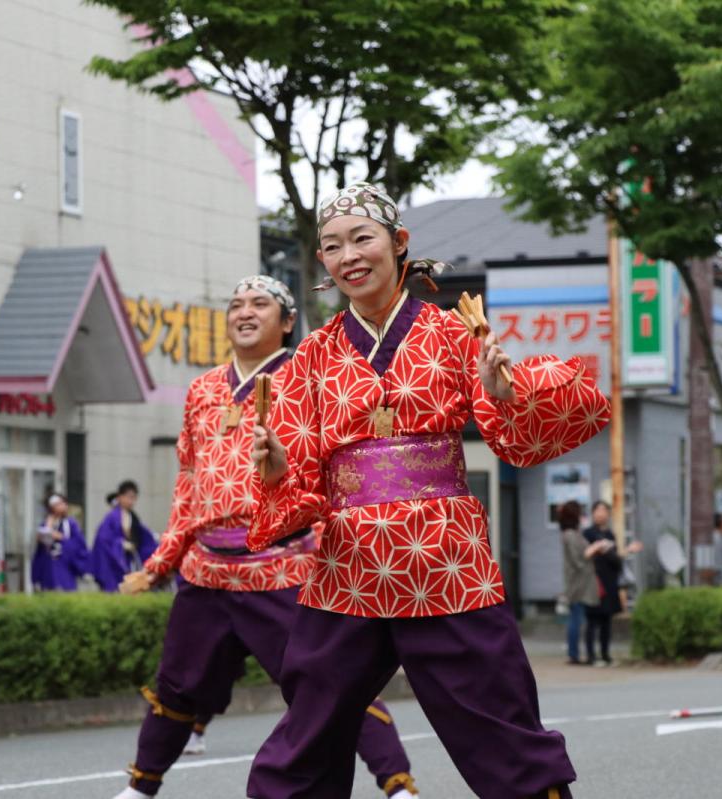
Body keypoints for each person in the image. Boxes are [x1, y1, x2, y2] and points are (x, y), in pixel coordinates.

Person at [247, 182, 612, 799]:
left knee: (499, 722)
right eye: (332, 246)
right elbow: (300, 466)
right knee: (309, 727)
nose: (348, 256)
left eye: (362, 238)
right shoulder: (311, 355)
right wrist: (278, 466)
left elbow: (515, 435)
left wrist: (501, 390)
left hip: (443, 555)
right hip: (349, 563)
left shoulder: (450, 331)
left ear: (399, 244)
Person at [112, 275, 418, 799]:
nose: (244, 312)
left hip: (285, 564)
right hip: (207, 570)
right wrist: (162, 560)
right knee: (178, 683)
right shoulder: (203, 389)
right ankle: (142, 787)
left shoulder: (308, 380)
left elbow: (336, 466)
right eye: (235, 305)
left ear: (287, 321)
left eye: (259, 304)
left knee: (327, 680)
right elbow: (188, 481)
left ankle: (397, 785)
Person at [582, 501, 643, 667]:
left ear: (608, 515)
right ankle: (591, 656)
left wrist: (625, 551)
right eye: (598, 510)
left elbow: (616, 559)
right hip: (593, 582)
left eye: (604, 510)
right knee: (592, 620)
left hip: (609, 582)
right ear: (593, 513)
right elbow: (585, 557)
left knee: (606, 621)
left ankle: (605, 654)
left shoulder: (610, 534)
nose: (601, 513)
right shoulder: (587, 534)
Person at [92, 480, 159, 593]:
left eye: (134, 498)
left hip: (130, 560)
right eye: (129, 497)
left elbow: (142, 534)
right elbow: (103, 539)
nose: (131, 501)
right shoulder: (112, 517)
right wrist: (120, 544)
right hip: (115, 562)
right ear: (120, 497)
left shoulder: (133, 517)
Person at [560, 500, 597, 665]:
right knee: (576, 618)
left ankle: (573, 653)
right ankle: (573, 654)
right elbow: (578, 560)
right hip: (578, 583)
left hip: (578, 582)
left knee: (576, 617)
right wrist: (593, 550)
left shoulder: (571, 533)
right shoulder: (570, 535)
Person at [30, 493, 88, 592]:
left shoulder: (70, 524)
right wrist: (45, 532)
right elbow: (42, 547)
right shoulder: (46, 523)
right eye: (57, 504)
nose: (61, 506)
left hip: (65, 566)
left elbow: (79, 546)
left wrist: (61, 538)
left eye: (62, 503)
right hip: (49, 566)